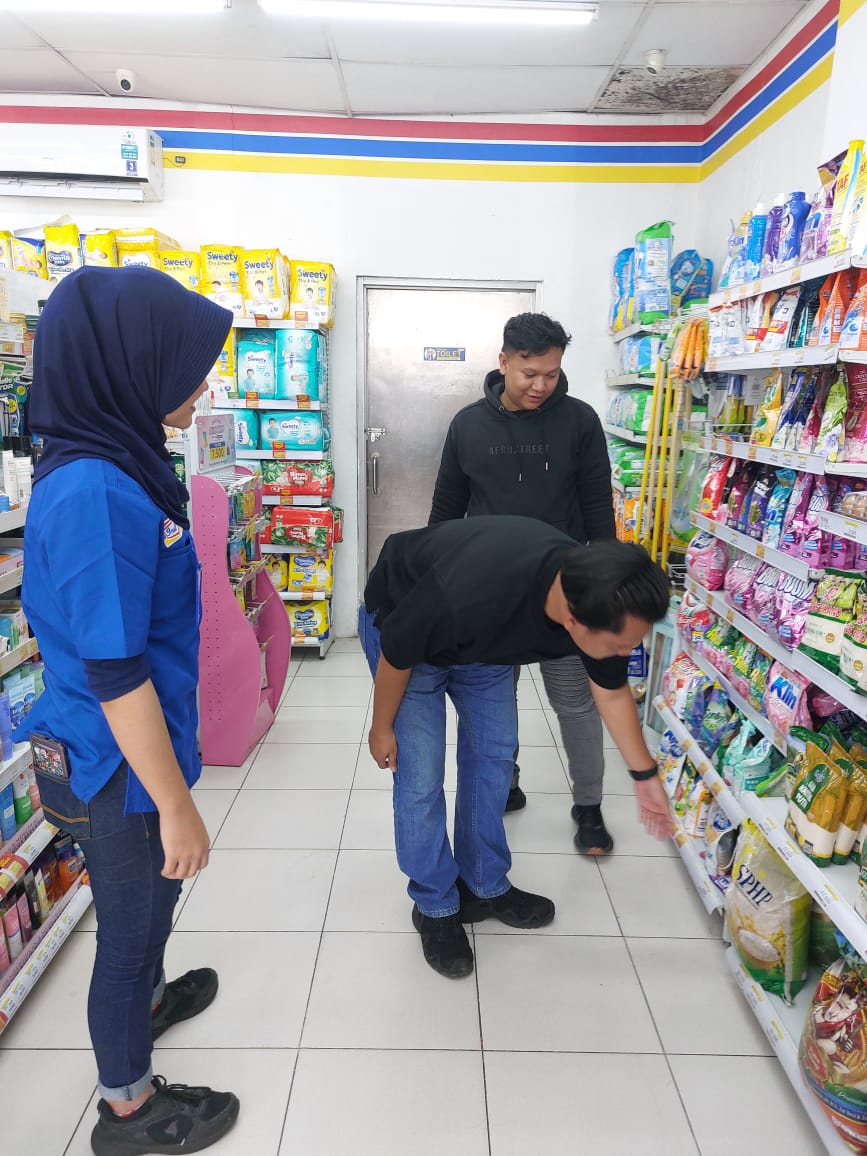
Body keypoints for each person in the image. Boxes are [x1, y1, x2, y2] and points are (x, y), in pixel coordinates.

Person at [15, 266, 240, 1155]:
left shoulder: (120, 460)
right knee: (131, 925)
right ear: (130, 365)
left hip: (129, 744)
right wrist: (176, 806)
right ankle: (127, 1106)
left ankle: (146, 1003)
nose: (202, 387)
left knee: (154, 901)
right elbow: (114, 674)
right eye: (189, 367)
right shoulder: (96, 491)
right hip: (114, 764)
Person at [359, 515, 674, 979]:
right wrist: (381, 727)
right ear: (572, 622)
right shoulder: (470, 590)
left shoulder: (599, 599)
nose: (625, 653)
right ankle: (434, 904)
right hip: (406, 628)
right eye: (621, 645)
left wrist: (645, 777)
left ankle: (483, 883)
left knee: (494, 756)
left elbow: (610, 694)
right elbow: (398, 651)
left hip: (483, 647)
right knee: (421, 775)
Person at [429, 312, 618, 855]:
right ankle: (505, 780)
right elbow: (446, 512)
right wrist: (436, 584)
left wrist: (603, 583)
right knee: (495, 696)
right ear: (504, 361)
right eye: (529, 373)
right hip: (493, 590)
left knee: (574, 701)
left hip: (565, 590)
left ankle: (589, 806)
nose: (540, 385)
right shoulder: (468, 425)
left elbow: (597, 507)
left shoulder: (579, 422)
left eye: (551, 375)